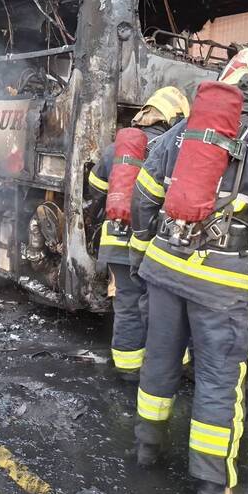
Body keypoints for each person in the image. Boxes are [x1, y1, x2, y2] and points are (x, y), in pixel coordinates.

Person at [130, 45, 248, 494]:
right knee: (217, 379)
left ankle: (147, 450)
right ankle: (216, 491)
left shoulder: (179, 134)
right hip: (219, 281)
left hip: (165, 267)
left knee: (160, 361)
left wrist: (142, 254)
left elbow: (144, 197)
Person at [87, 87, 190, 380]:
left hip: (117, 241)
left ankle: (129, 370)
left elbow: (95, 189)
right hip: (157, 243)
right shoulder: (173, 146)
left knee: (127, 304)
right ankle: (173, 367)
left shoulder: (117, 150)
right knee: (165, 306)